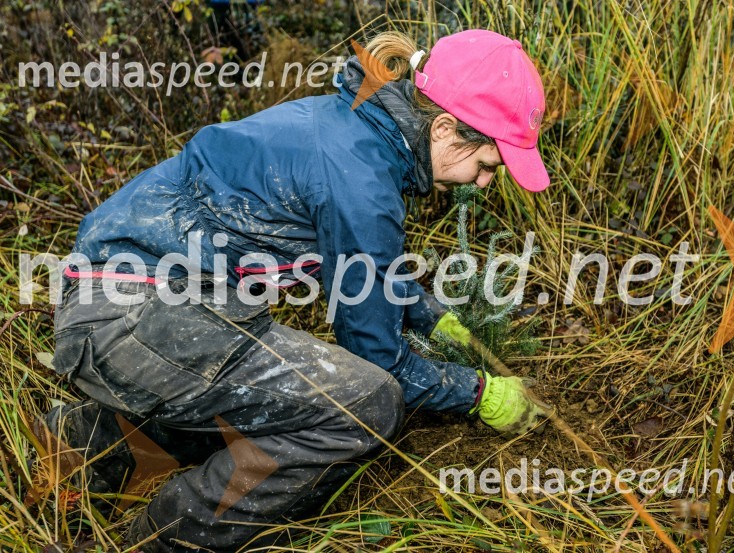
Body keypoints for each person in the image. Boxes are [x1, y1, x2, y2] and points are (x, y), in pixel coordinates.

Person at [38, 29, 551, 552]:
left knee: (274, 399)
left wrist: (428, 312)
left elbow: (359, 265)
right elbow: (378, 359)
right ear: (444, 128)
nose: (483, 182)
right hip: (143, 314)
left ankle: (77, 445)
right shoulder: (362, 182)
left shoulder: (352, 132)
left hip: (121, 306)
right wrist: (478, 393)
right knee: (367, 405)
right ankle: (164, 542)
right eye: (487, 165)